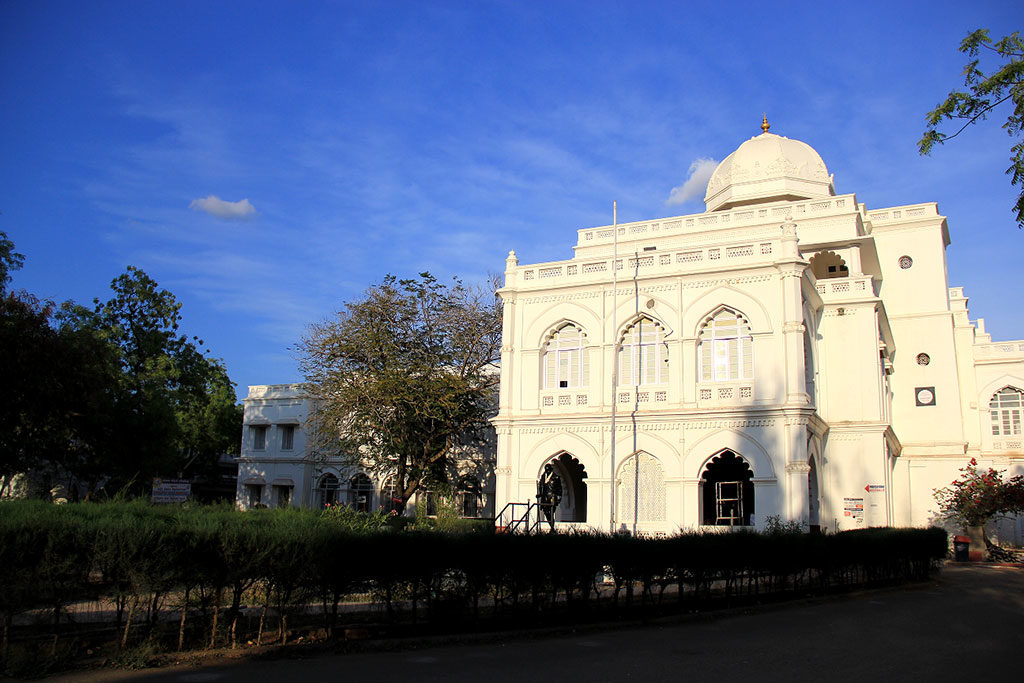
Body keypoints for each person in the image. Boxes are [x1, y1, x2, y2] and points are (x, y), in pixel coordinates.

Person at [537, 463, 563, 529]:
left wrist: (558, 498)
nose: (547, 472)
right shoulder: (543, 477)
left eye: (548, 470)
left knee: (551, 511)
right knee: (545, 511)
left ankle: (552, 527)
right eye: (546, 470)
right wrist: (539, 494)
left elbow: (559, 489)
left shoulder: (556, 477)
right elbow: (541, 486)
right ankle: (552, 526)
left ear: (551, 470)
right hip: (544, 498)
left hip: (552, 497)